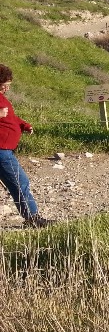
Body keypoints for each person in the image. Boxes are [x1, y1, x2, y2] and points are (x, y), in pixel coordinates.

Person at [0, 64, 53, 228]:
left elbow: (11, 119)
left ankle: (31, 217)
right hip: (2, 151)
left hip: (5, 150)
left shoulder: (2, 99)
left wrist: (23, 125)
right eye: (6, 85)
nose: (8, 88)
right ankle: (33, 219)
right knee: (19, 181)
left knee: (17, 182)